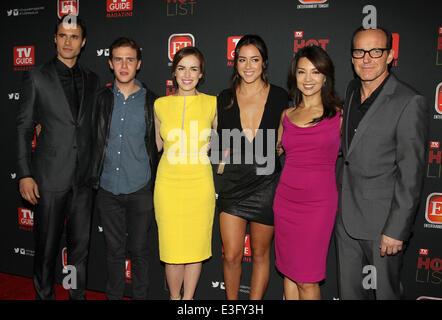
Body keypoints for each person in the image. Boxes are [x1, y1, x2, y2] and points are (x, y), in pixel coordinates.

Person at [335, 26, 429, 299]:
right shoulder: (352, 89)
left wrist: (396, 230)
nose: (366, 58)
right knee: (348, 293)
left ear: (390, 55)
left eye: (375, 51)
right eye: (359, 52)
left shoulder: (409, 101)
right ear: (352, 57)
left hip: (383, 225)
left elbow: (411, 173)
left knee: (386, 293)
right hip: (345, 218)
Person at [16, 17, 100, 300]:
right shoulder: (36, 76)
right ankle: (45, 296)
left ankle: (76, 295)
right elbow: (24, 127)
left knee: (79, 250)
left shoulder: (93, 79)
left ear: (83, 42)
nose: (68, 42)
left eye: (74, 37)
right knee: (47, 248)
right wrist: (25, 173)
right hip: (49, 177)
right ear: (54, 38)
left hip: (83, 179)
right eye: (63, 35)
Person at [215, 35, 289, 300]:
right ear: (235, 63)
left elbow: (284, 138)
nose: (248, 66)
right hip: (233, 187)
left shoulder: (281, 96)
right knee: (232, 254)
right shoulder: (223, 99)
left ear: (264, 63)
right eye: (242, 59)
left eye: (254, 59)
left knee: (260, 254)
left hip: (267, 186)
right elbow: (214, 143)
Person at [90, 37, 159, 300]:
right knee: (113, 252)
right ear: (110, 63)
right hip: (107, 188)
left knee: (140, 251)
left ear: (138, 64)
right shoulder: (100, 99)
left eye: (130, 59)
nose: (124, 64)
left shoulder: (152, 101)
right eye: (118, 59)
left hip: (140, 188)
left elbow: (163, 142)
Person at [273, 45, 342, 300]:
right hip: (285, 202)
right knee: (289, 272)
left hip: (317, 206)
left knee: (307, 279)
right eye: (302, 72)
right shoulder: (286, 115)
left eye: (315, 72)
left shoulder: (339, 116)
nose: (308, 79)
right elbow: (275, 152)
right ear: (295, 77)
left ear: (325, 76)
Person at [153, 46, 217, 300]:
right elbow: (154, 146)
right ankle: (174, 298)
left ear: (201, 74)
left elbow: (226, 143)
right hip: (168, 184)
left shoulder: (212, 103)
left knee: (195, 246)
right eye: (181, 68)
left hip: (199, 184)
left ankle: (187, 300)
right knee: (172, 248)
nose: (187, 74)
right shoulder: (160, 104)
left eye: (193, 68)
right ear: (174, 73)